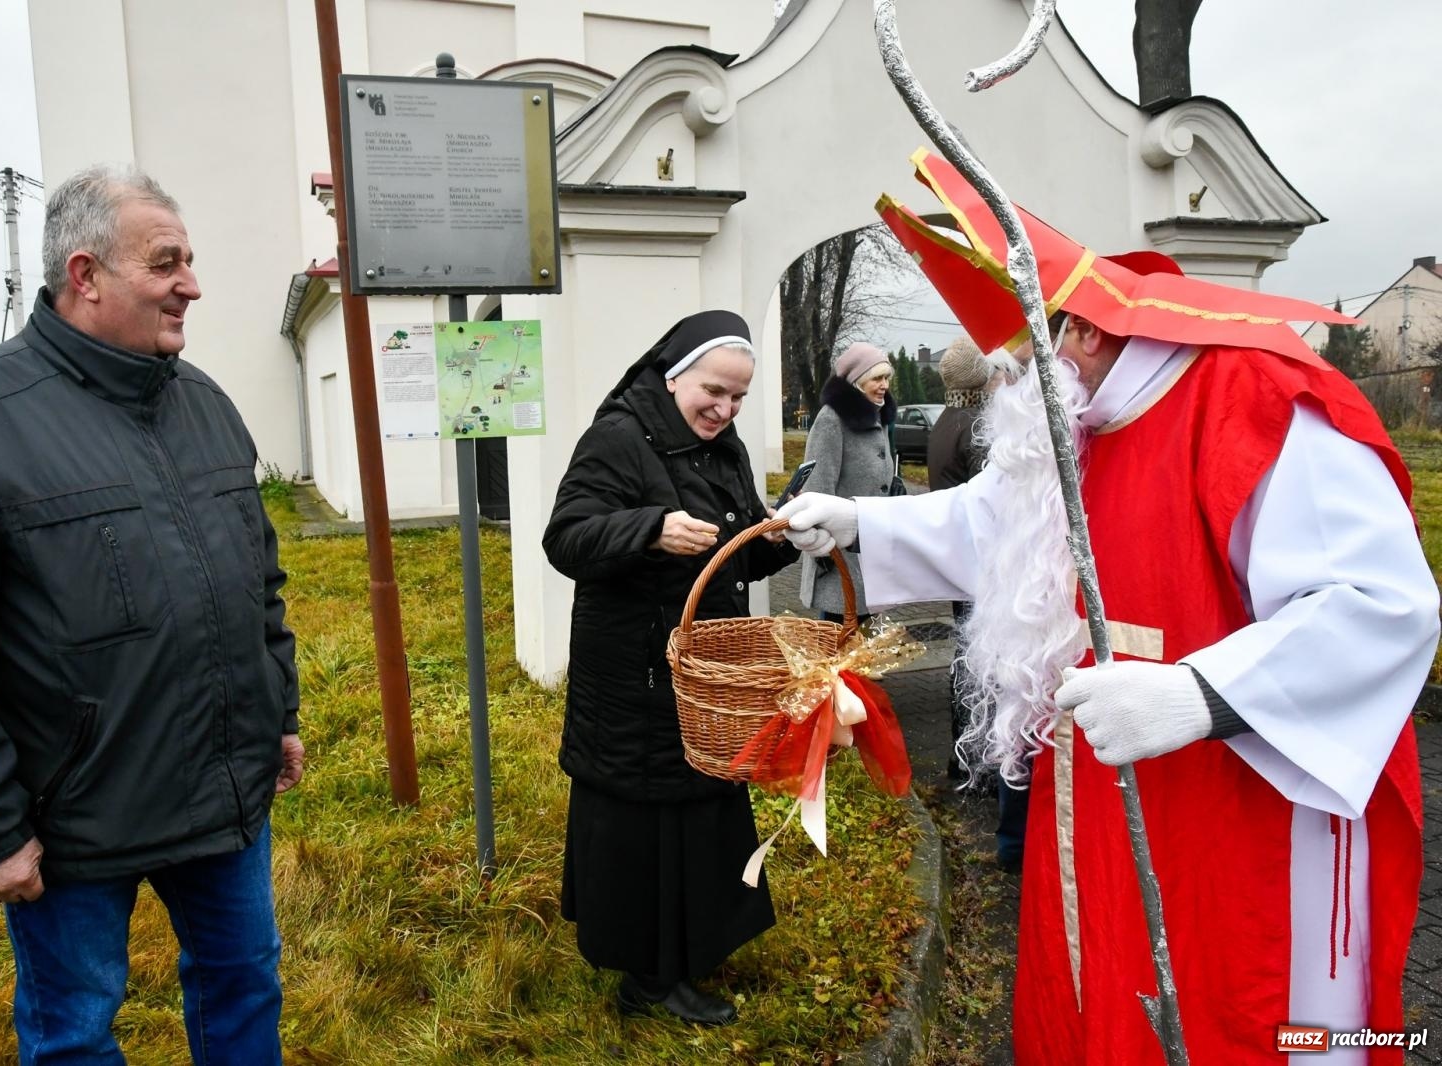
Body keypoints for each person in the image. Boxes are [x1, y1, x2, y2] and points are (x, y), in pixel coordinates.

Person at [778, 149, 1436, 1064]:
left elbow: (1378, 604)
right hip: (1101, 805)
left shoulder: (1251, 397)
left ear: (1078, 335)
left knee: (1237, 1012)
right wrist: (859, 522)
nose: (1008, 384)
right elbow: (1000, 520)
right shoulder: (1087, 417)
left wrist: (1203, 694)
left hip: (1240, 814)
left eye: (1019, 360)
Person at [0, 165, 302, 1065]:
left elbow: (257, 584)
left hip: (223, 792)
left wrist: (276, 714)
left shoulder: (206, 406)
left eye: (191, 260)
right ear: (86, 275)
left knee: (246, 980)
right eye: (166, 262)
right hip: (71, 819)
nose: (194, 285)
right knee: (74, 1030)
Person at [543, 309, 799, 1027]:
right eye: (713, 392)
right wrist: (649, 529)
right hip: (633, 677)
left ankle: (693, 949)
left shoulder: (723, 447)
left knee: (699, 812)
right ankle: (649, 980)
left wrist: (785, 534)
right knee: (647, 824)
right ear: (674, 374)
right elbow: (565, 539)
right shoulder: (619, 437)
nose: (724, 409)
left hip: (701, 674)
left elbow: (736, 547)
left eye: (739, 398)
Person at [928, 337, 1029, 873]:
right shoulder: (979, 429)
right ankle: (981, 765)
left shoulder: (946, 420)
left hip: (961, 568)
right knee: (987, 670)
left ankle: (961, 755)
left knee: (967, 661)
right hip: (984, 569)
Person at [797, 342, 899, 626]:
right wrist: (823, 550)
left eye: (887, 378)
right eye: (877, 378)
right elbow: (818, 488)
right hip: (839, 553)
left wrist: (894, 485)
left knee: (866, 645)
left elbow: (876, 472)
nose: (884, 385)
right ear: (857, 380)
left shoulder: (877, 415)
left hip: (871, 547)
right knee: (838, 639)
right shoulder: (832, 419)